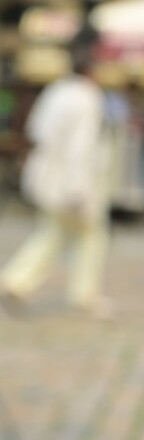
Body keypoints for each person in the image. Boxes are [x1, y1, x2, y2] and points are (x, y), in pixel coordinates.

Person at [0, 30, 112, 317]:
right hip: (69, 181)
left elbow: (36, 131)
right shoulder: (87, 98)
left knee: (53, 234)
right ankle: (83, 293)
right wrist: (78, 188)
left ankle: (18, 280)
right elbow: (81, 148)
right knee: (89, 236)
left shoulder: (57, 90)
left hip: (47, 174)